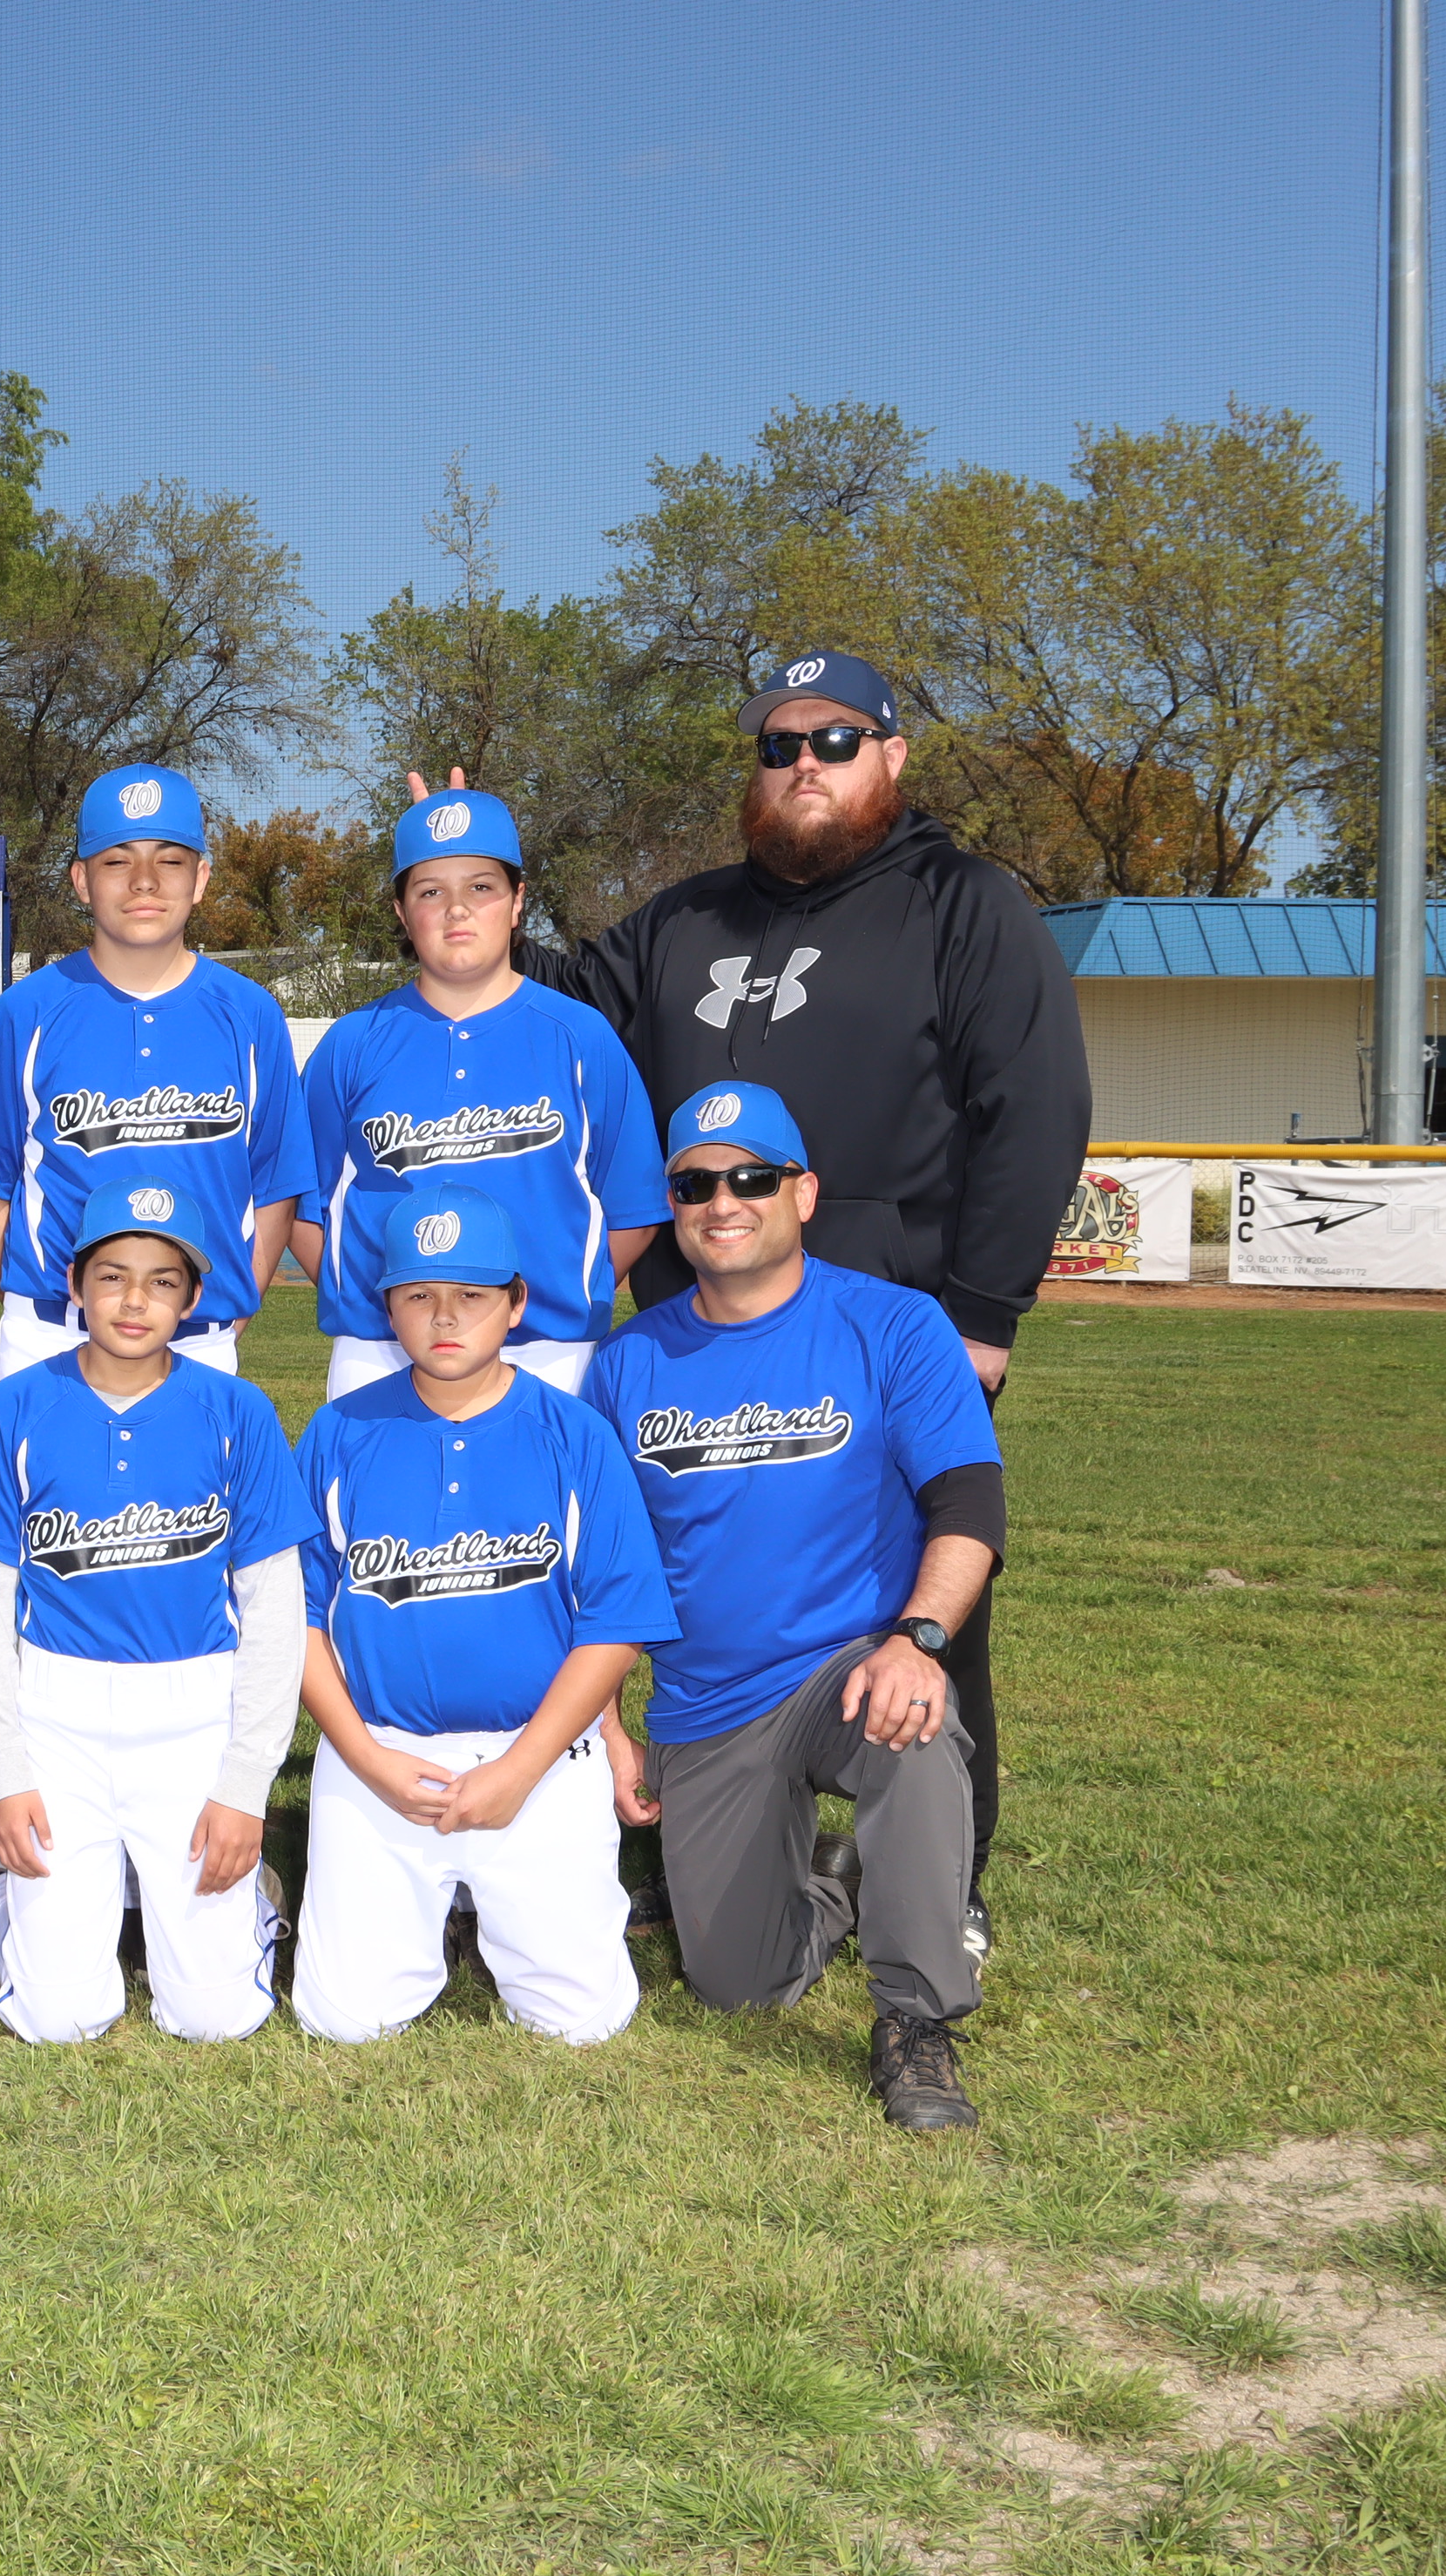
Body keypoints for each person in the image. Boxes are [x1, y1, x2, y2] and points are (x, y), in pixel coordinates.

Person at [498, 649, 1090, 1944]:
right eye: (779, 745)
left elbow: (1035, 1105)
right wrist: (467, 884)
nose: (804, 764)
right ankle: (716, 1850)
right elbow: (552, 1009)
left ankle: (945, 1887)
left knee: (925, 1603)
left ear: (892, 754)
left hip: (894, 1330)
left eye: (834, 739)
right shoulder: (684, 921)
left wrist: (983, 1311)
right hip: (698, 1336)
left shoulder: (964, 902)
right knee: (695, 1592)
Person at [583, 1082, 1004, 2133]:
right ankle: (836, 1888)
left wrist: (917, 1641)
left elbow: (969, 1503)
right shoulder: (628, 1363)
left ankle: (916, 2017)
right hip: (708, 1697)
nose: (723, 1201)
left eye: (752, 1177)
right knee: (739, 1982)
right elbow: (599, 1568)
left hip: (847, 1667)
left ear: (803, 1193)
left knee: (912, 1726)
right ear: (673, 1206)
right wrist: (608, 1726)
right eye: (695, 1184)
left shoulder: (892, 1323)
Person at [288, 1184, 673, 2046]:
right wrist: (366, 1759)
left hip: (540, 1752)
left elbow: (616, 1622)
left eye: (471, 1293)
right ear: (388, 1306)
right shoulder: (338, 1433)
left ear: (516, 1301)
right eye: (419, 1294)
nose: (444, 1316)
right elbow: (297, 1619)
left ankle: (492, 1910)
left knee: (581, 2021)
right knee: (343, 2019)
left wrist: (520, 1769)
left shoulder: (575, 1435)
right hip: (384, 1750)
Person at [0, 1180, 308, 2044]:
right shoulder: (15, 1407)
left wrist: (244, 1786)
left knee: (214, 2017)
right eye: (112, 1276)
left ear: (194, 1296)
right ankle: (1, 1901)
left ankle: (249, 1901)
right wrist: (6, 1772)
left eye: (162, 1280)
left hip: (193, 1714)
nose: (134, 1300)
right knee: (58, 2017)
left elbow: (273, 1610)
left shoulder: (236, 1412)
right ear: (74, 1284)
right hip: (57, 1714)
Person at [298, 788, 659, 1398]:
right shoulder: (352, 1043)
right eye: (430, 892)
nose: (456, 910)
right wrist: (367, 1300)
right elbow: (303, 1208)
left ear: (518, 902)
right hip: (380, 1353)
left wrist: (560, 1294)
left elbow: (635, 1208)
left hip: (549, 1354)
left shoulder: (580, 1037)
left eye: (481, 887)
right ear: (401, 911)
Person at [0, 765, 305, 1380]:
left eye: (169, 861)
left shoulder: (251, 1014)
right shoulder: (27, 1011)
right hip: (48, 1338)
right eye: (117, 861)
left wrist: (226, 1313)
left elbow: (275, 1184)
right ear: (81, 880)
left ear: (201, 878)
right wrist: (34, 1305)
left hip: (200, 1340)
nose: (144, 880)